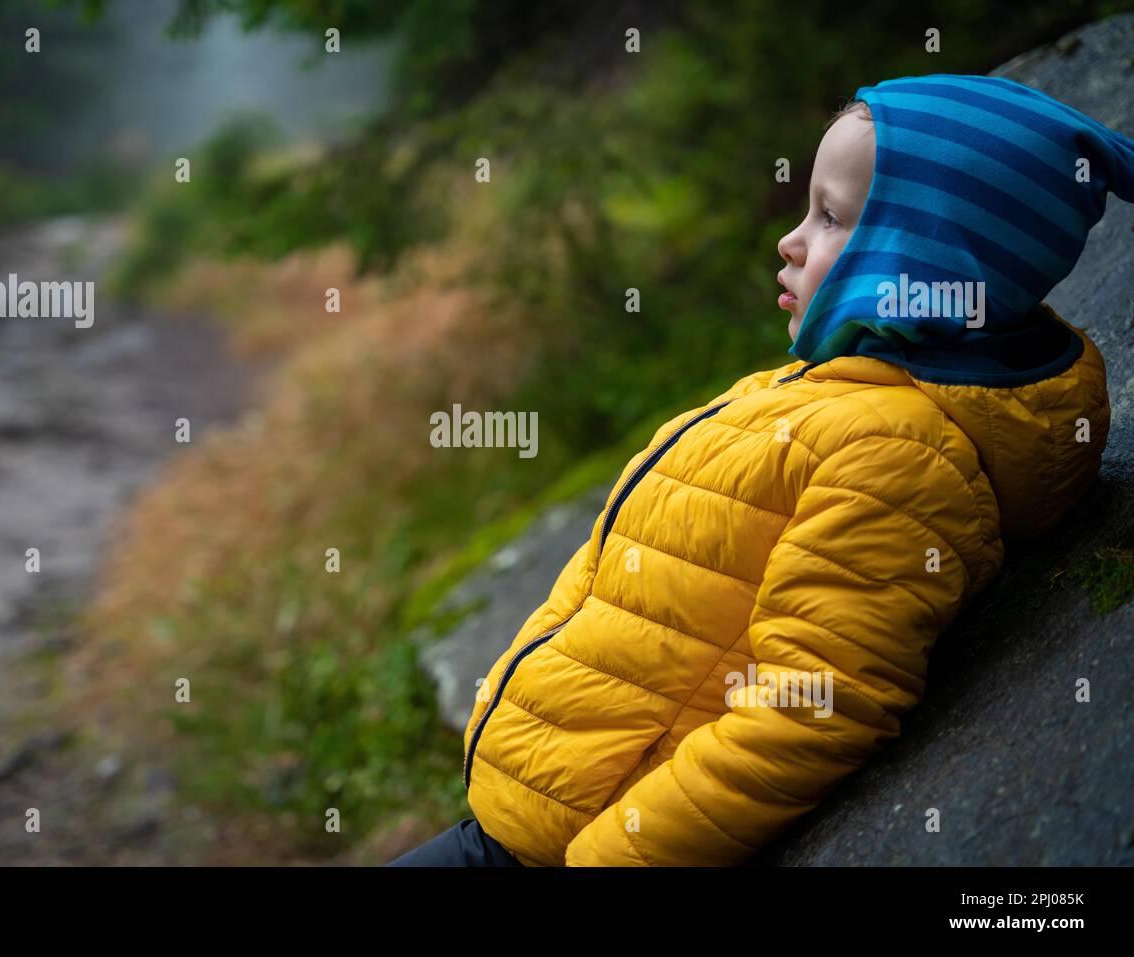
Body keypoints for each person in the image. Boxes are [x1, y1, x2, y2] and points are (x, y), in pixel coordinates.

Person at [388, 73, 1126, 866]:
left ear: (926, 263)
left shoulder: (899, 456)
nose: (790, 239)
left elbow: (811, 706)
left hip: (571, 839)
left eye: (832, 217)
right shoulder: (838, 389)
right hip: (532, 803)